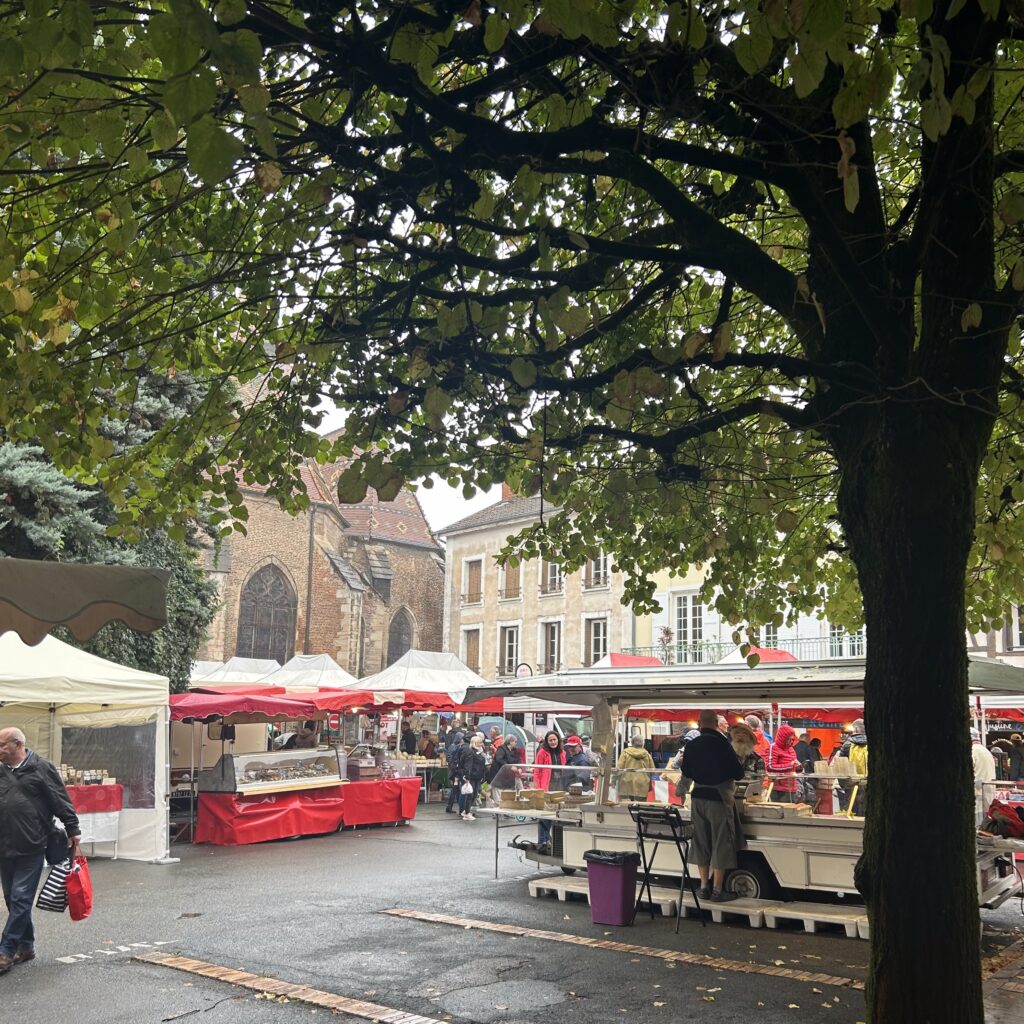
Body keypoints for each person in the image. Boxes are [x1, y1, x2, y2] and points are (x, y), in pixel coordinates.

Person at [0, 727, 81, 973]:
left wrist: (72, 828)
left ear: (17, 744)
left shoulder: (40, 767)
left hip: (32, 843)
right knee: (12, 899)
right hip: (4, 845)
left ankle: (5, 950)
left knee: (21, 897)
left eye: (2, 745)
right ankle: (26, 946)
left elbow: (59, 798)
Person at [680, 710, 745, 902]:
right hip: (719, 798)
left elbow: (686, 771)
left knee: (700, 841)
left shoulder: (691, 745)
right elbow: (738, 773)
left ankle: (703, 887)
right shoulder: (723, 745)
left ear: (700, 723)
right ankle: (717, 890)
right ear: (716, 723)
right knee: (720, 842)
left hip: (697, 798)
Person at [535, 730, 566, 850]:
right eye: (550, 740)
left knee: (555, 815)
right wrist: (539, 788)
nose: (553, 742)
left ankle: (550, 841)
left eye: (555, 740)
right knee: (545, 815)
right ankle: (542, 841)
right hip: (546, 787)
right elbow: (537, 771)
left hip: (559, 786)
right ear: (547, 742)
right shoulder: (542, 752)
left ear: (558, 740)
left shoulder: (562, 752)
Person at [837, 719, 868, 813]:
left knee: (851, 809)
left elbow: (841, 766)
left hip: (851, 784)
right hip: (867, 782)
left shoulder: (847, 744)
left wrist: (844, 785)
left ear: (855, 729)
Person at [766, 724, 802, 803]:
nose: (791, 742)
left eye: (792, 739)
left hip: (791, 787)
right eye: (789, 739)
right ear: (783, 738)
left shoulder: (791, 749)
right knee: (780, 812)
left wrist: (798, 767)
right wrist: (790, 766)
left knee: (789, 813)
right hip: (778, 788)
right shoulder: (773, 747)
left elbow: (794, 765)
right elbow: (770, 766)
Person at [616, 732, 656, 801]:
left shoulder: (625, 753)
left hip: (626, 783)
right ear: (643, 743)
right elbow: (652, 770)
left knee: (626, 808)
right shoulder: (647, 754)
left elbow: (619, 768)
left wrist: (614, 781)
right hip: (642, 784)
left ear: (632, 743)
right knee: (640, 808)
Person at [459, 735, 487, 821]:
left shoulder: (479, 752)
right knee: (470, 795)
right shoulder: (471, 752)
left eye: (481, 742)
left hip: (477, 776)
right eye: (479, 742)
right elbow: (468, 765)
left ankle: (466, 811)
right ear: (475, 743)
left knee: (474, 794)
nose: (481, 744)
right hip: (472, 776)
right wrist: (467, 776)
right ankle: (467, 813)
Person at [973, 729, 997, 826]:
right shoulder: (985, 750)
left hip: (977, 793)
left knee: (977, 826)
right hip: (987, 792)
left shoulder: (972, 751)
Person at [444, 730, 466, 813]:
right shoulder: (454, 747)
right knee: (456, 790)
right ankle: (460, 809)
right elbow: (451, 759)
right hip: (454, 773)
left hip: (454, 772)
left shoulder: (453, 746)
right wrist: (455, 769)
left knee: (455, 790)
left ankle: (451, 807)